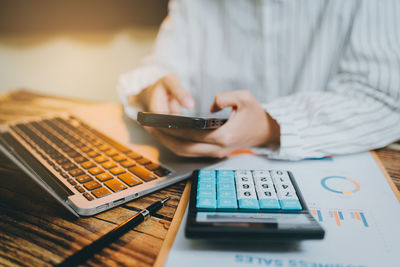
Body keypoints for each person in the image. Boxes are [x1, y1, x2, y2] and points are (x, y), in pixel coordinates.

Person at [118, 0, 400, 160]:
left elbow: (383, 97)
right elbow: (155, 72)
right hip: (199, 173)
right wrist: (151, 92)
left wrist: (270, 126)